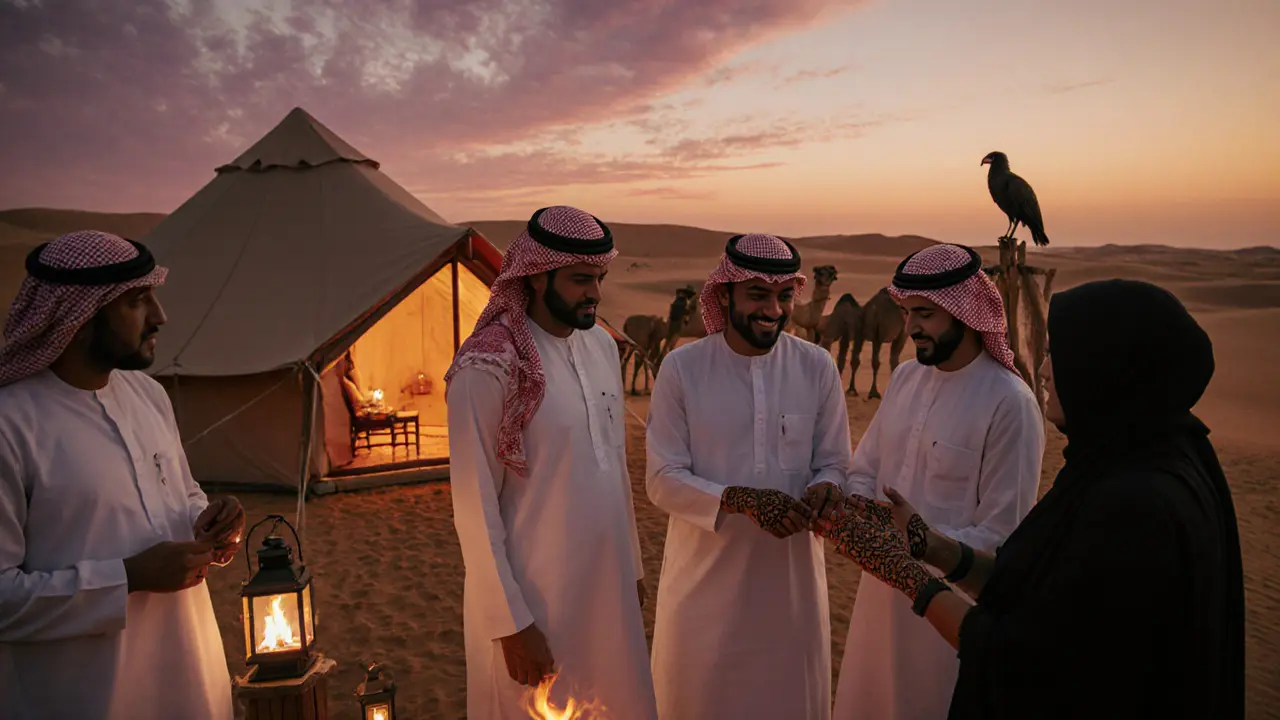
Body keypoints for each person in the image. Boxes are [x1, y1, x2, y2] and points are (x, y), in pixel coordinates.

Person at [820, 278, 1246, 719]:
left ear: (1107, 369)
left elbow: (1031, 655)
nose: (1043, 371)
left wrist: (911, 577)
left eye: (1057, 355)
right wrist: (926, 543)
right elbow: (1030, 581)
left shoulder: (1138, 503)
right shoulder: (1129, 465)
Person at [0, 231, 245, 720]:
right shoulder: (11, 424)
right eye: (138, 301)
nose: (160, 317)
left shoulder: (147, 396)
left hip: (190, 679)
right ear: (80, 316)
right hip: (82, 696)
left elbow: (180, 492)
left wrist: (209, 519)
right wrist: (128, 578)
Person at [445, 206, 657, 719]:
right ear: (537, 277)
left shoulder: (602, 347)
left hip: (607, 585)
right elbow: (473, 507)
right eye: (581, 279)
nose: (595, 293)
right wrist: (511, 622)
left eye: (599, 279)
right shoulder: (488, 367)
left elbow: (614, 468)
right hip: (534, 596)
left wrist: (630, 565)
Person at [829, 243, 1045, 720]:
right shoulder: (906, 378)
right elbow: (864, 470)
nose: (910, 329)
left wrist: (917, 545)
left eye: (924, 315)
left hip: (948, 620)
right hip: (878, 598)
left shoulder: (1010, 404)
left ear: (964, 313)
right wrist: (859, 514)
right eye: (907, 313)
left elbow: (1002, 536)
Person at [645, 233, 853, 719]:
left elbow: (836, 462)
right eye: (758, 295)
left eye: (783, 296)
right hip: (704, 594)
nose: (773, 310)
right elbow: (662, 478)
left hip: (791, 594)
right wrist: (740, 500)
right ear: (724, 294)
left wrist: (828, 487)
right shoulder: (683, 369)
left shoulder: (816, 366)